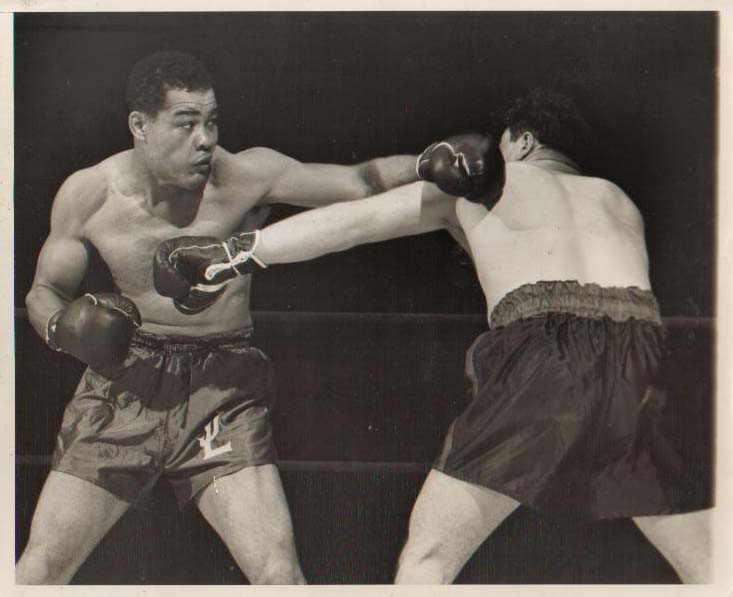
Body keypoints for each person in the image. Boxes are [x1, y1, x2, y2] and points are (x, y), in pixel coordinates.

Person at [157, 88, 712, 584]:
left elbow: (356, 222)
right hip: (649, 358)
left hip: (541, 355)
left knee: (428, 561)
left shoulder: (489, 179)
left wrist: (234, 255)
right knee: (711, 565)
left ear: (519, 140)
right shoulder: (618, 201)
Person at [18, 50, 420, 585]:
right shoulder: (89, 193)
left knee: (280, 577)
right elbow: (44, 290)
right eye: (186, 124)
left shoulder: (246, 174)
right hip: (125, 385)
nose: (205, 139)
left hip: (222, 387)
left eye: (211, 121)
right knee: (37, 572)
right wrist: (61, 328)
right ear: (140, 125)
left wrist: (428, 162)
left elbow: (361, 182)